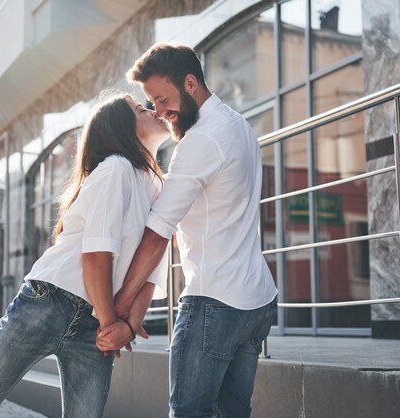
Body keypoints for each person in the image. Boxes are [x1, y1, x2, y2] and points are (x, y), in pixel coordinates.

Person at [0, 91, 170, 418]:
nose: (151, 110)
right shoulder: (116, 168)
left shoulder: (159, 187)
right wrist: (111, 324)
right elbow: (96, 254)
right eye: (139, 109)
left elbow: (152, 265)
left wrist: (129, 326)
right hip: (49, 302)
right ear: (123, 128)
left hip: (97, 322)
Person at [100, 43, 278, 418]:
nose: (160, 113)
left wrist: (120, 304)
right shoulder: (239, 126)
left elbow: (157, 231)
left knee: (189, 412)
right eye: (152, 104)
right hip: (256, 300)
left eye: (163, 99)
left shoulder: (201, 141)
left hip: (215, 302)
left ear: (191, 83)